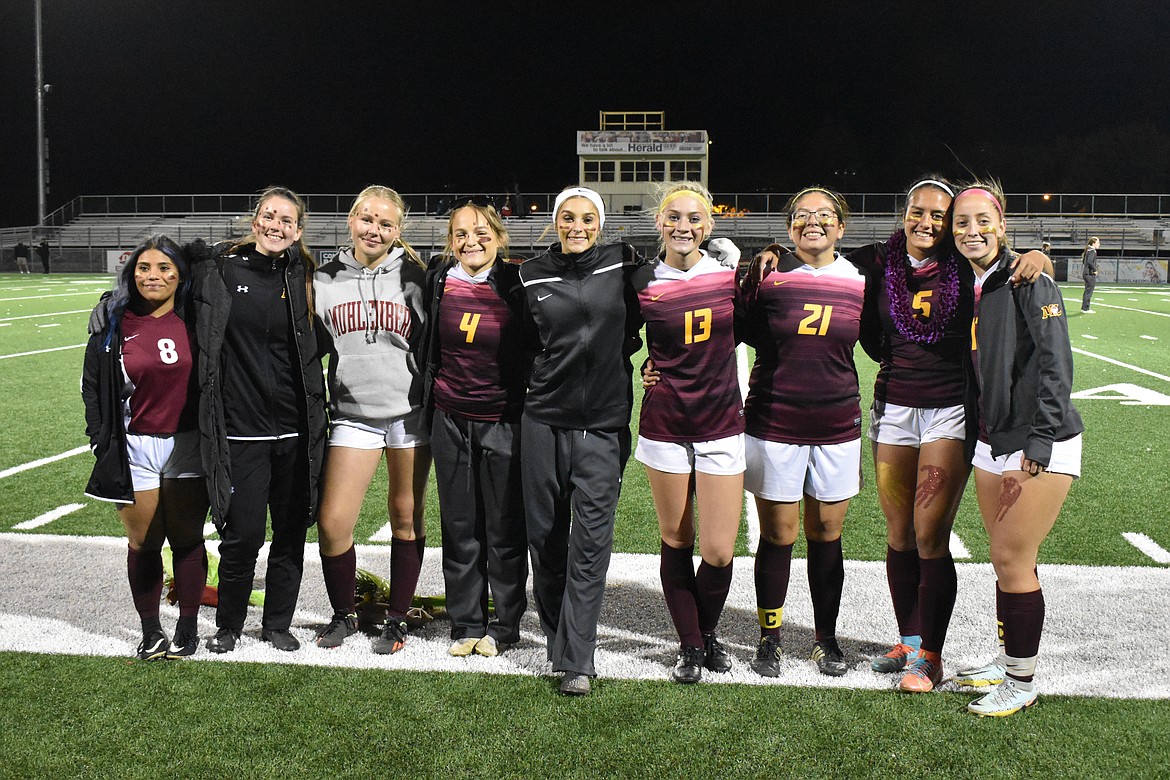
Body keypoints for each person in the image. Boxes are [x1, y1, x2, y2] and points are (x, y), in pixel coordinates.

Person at [949, 182, 1083, 717]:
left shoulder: (1030, 278)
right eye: (961, 223)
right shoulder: (977, 279)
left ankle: (1022, 680)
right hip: (992, 437)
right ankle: (1008, 659)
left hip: (1033, 441)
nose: (971, 231)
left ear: (1002, 225)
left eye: (983, 221)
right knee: (1005, 562)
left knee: (1013, 559)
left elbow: (1057, 364)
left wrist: (1043, 437)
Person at [841, 177, 973, 692]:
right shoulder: (877, 260)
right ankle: (911, 641)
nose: (927, 222)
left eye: (939, 215)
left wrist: (1040, 259)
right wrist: (770, 256)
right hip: (894, 405)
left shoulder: (964, 261)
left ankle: (932, 657)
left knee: (929, 534)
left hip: (949, 408)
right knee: (898, 534)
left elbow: (1010, 260)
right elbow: (817, 255)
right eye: (918, 211)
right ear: (904, 213)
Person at [519, 186, 648, 696]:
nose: (577, 226)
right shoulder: (528, 275)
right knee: (546, 541)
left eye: (588, 218)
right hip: (542, 422)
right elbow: (518, 346)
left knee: (591, 542)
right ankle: (559, 637)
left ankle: (578, 658)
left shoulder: (623, 265)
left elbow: (660, 312)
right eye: (568, 218)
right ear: (556, 222)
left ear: (601, 223)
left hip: (603, 424)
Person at [739, 186, 866, 678]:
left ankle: (825, 638)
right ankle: (769, 637)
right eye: (801, 215)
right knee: (778, 533)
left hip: (836, 422)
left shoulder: (862, 276)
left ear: (841, 226)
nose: (812, 221)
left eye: (824, 215)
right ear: (789, 225)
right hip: (774, 420)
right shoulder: (766, 274)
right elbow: (726, 328)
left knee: (827, 534)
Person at [195, 186, 327, 654]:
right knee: (243, 534)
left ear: (298, 230)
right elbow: (161, 279)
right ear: (255, 221)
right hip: (240, 429)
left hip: (297, 430)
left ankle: (276, 623)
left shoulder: (307, 274)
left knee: (290, 533)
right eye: (269, 215)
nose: (276, 225)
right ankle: (229, 623)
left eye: (287, 220)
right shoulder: (219, 269)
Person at [312, 185, 431, 653]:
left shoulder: (418, 277)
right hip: (352, 415)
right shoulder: (322, 280)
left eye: (386, 223)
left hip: (410, 413)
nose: (374, 229)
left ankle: (397, 619)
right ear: (351, 220)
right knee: (334, 521)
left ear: (399, 231)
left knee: (406, 515)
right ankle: (343, 613)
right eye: (367, 219)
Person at [635, 182, 743, 684]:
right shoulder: (640, 278)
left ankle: (705, 630)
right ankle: (692, 644)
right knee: (676, 537)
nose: (683, 226)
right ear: (660, 222)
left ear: (709, 225)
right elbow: (612, 339)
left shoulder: (729, 278)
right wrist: (642, 370)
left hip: (721, 421)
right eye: (673, 217)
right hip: (666, 423)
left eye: (694, 218)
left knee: (719, 550)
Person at [82, 235, 209, 660]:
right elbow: (93, 384)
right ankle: (151, 629)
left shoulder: (197, 319)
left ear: (180, 275)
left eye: (164, 268)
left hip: (187, 442)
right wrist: (99, 437)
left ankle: (187, 626)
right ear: (131, 272)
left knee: (188, 538)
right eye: (143, 268)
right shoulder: (114, 321)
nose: (152, 276)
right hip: (134, 444)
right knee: (145, 542)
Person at [420, 203, 530, 658]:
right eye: (461, 233)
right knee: (460, 523)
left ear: (499, 236)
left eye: (481, 232)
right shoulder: (438, 279)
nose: (471, 241)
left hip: (503, 420)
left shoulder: (517, 283)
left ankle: (505, 624)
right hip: (449, 417)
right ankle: (466, 620)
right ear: (450, 239)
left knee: (504, 526)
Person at [1081, 236, 1099, 312]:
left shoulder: (1088, 250)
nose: (1099, 244)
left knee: (1087, 290)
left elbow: (1084, 261)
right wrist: (1094, 270)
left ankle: (1084, 307)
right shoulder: (1092, 251)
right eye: (1098, 243)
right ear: (1094, 243)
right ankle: (1085, 308)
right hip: (1089, 274)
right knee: (1089, 291)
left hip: (1086, 273)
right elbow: (1089, 261)